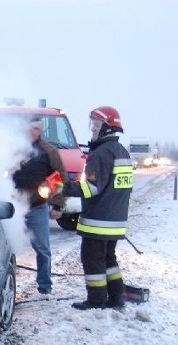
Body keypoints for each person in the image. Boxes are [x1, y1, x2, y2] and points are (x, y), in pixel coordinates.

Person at [56, 106, 134, 310]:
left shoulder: (100, 153)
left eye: (97, 125)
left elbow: (91, 188)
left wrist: (63, 187)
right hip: (116, 221)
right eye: (92, 124)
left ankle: (96, 299)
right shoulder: (121, 151)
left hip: (98, 221)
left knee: (93, 261)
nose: (92, 129)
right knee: (109, 259)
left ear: (107, 128)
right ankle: (116, 296)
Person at [12, 117, 69, 295]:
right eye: (31, 128)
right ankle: (8, 283)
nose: (34, 132)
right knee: (8, 247)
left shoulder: (48, 151)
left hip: (37, 207)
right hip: (14, 208)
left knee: (42, 248)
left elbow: (60, 178)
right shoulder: (13, 148)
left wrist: (58, 205)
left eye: (37, 129)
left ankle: (45, 285)